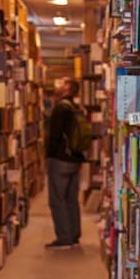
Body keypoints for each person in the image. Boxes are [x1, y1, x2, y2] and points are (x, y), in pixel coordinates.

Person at [45, 78, 84, 249]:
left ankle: (64, 238)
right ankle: (74, 234)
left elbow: (54, 135)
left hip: (60, 160)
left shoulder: (61, 108)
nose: (57, 86)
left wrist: (49, 155)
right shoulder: (76, 108)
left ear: (67, 88)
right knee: (71, 198)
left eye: (60, 84)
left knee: (57, 199)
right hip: (75, 159)